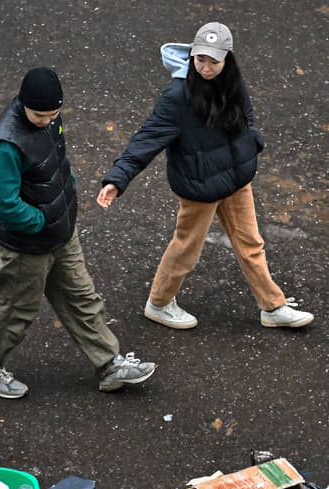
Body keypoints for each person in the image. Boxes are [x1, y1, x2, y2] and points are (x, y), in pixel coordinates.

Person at [97, 22, 314, 330]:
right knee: (186, 248)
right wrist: (116, 180)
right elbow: (145, 139)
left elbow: (247, 114)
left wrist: (252, 142)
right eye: (201, 60)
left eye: (214, 61)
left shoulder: (232, 81)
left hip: (236, 179)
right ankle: (158, 304)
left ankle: (272, 306)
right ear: (193, 56)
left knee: (251, 242)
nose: (206, 67)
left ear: (227, 59)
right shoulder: (176, 96)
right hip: (199, 186)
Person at [0, 67, 156, 399]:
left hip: (61, 232)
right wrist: (40, 221)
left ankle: (110, 364)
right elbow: (4, 202)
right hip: (29, 244)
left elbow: (58, 163)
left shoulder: (50, 118)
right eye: (40, 114)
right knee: (14, 309)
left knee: (82, 298)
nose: (47, 120)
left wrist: (62, 207)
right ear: (24, 104)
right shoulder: (6, 142)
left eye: (53, 114)